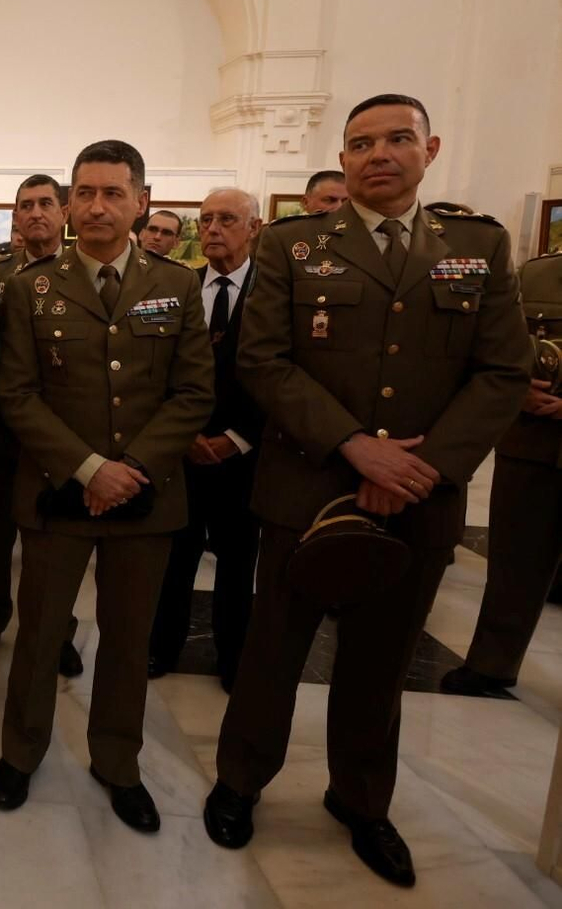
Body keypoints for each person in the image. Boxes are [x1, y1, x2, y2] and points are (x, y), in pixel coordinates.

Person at [204, 94, 529, 888]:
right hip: (307, 487)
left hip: (420, 496)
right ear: (343, 158)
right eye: (360, 143)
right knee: (272, 652)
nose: (379, 153)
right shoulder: (294, 243)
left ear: (430, 149)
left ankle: (361, 798)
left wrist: (422, 468)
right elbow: (263, 359)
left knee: (380, 663)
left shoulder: (477, 245)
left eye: (397, 139)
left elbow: (502, 371)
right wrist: (356, 448)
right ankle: (240, 780)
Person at [0, 140, 214, 830]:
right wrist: (90, 469)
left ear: (141, 202)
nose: (95, 207)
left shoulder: (177, 285)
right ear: (68, 203)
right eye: (83, 193)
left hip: (147, 496)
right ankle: (21, 751)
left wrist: (130, 469)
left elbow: (193, 391)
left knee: (126, 636)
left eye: (112, 193)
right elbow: (16, 393)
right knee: (39, 633)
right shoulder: (31, 286)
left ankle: (117, 761)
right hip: (57, 491)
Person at [0, 175, 83, 677]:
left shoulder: (84, 275)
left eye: (45, 204)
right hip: (2, 432)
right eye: (26, 205)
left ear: (64, 213)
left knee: (56, 544)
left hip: (63, 434)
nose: (35, 213)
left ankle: (58, 632)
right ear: (15, 217)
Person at [148, 187, 263, 690]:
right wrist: (185, 435)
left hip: (247, 455)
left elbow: (284, 373)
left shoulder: (273, 293)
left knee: (238, 564)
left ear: (254, 227)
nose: (213, 229)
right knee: (176, 557)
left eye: (227, 219)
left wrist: (238, 438)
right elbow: (156, 370)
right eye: (206, 219)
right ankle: (162, 646)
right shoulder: (179, 287)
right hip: (182, 453)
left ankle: (235, 657)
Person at [440, 249, 562, 696]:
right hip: (532, 441)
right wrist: (516, 388)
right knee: (515, 561)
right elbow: (500, 344)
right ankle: (493, 662)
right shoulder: (537, 273)